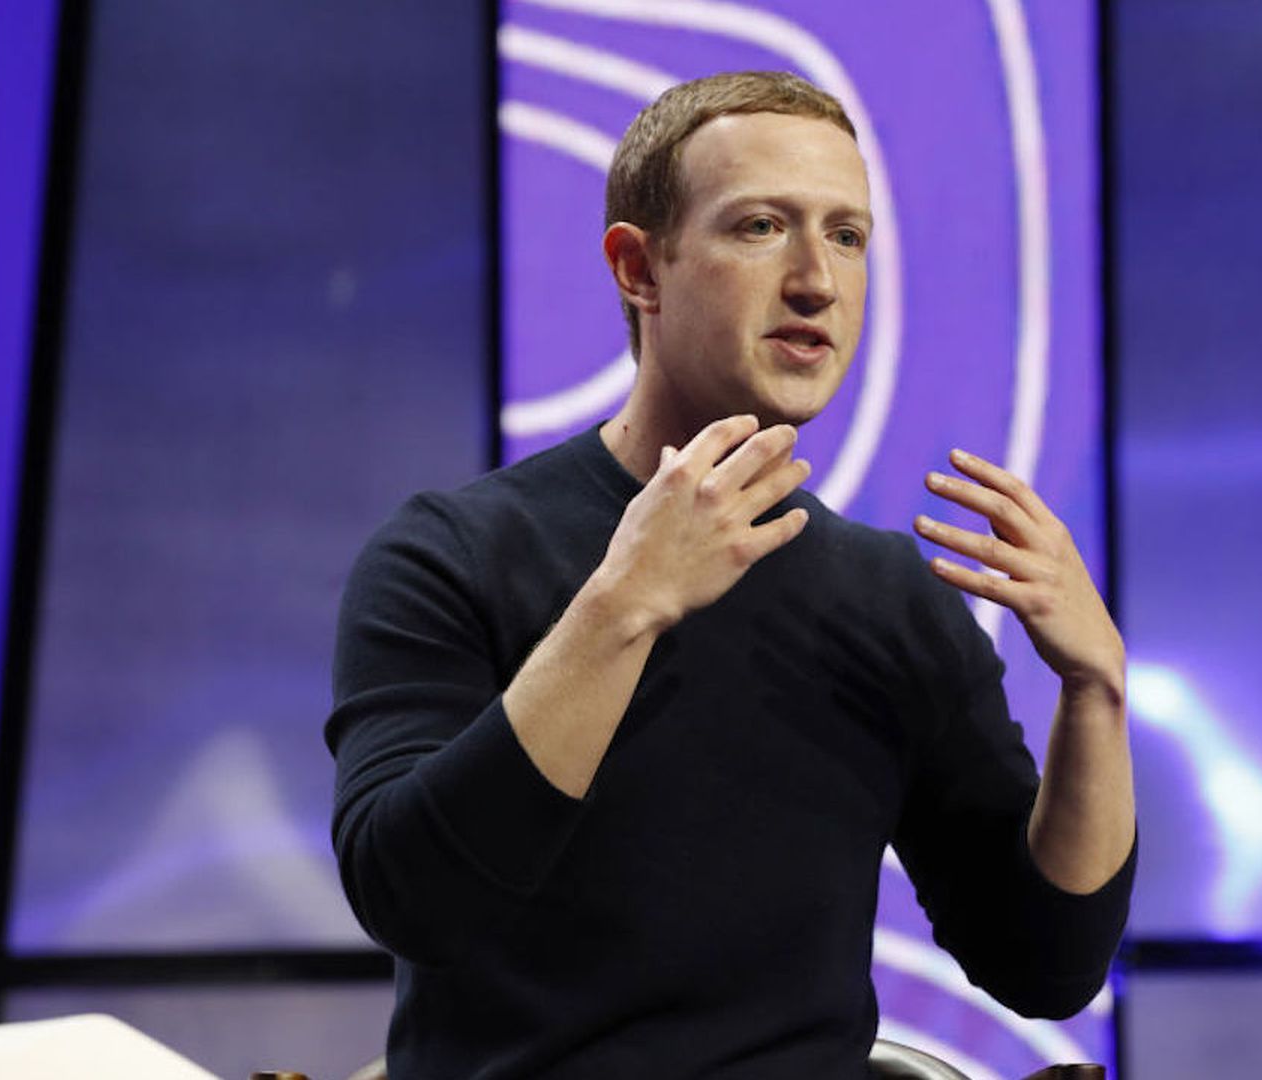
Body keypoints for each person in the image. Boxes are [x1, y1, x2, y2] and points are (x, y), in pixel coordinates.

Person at [327, 71, 1135, 1079]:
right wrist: (625, 606)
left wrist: (1095, 694)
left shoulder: (890, 598)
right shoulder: (450, 554)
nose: (818, 282)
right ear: (639, 267)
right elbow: (416, 900)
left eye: (847, 236)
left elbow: (1045, 966)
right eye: (761, 226)